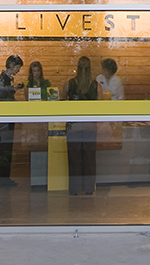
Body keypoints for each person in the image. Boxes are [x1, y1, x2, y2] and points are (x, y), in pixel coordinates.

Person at [64, 56, 99, 195]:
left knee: (74, 159)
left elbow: (64, 105)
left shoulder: (69, 84)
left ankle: (74, 189)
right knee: (89, 158)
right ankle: (89, 188)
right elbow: (100, 107)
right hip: (90, 126)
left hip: (73, 126)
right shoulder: (96, 85)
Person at [0, 54, 23, 187]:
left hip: (8, 116)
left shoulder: (8, 79)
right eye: (17, 67)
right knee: (4, 146)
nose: (18, 70)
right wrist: (14, 89)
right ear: (10, 65)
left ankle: (3, 177)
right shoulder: (1, 79)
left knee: (7, 146)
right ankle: (1, 177)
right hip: (4, 117)